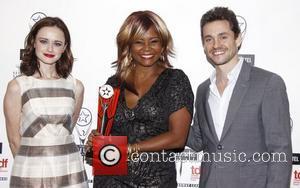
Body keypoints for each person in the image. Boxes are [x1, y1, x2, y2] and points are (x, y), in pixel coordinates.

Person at [187, 7, 292, 188]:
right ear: (204, 45)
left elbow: (279, 151)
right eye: (209, 39)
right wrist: (162, 115)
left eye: (223, 37)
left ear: (238, 38)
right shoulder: (203, 90)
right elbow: (198, 140)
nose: (216, 45)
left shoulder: (268, 83)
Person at [87, 10, 194, 187]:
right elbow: (107, 134)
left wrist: (130, 149)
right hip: (110, 181)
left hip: (154, 181)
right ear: (128, 44)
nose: (146, 48)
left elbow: (178, 138)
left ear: (163, 45)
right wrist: (96, 140)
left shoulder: (174, 80)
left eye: (154, 41)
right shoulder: (113, 84)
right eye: (138, 42)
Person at [3, 17, 88, 187]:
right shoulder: (17, 86)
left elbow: (68, 128)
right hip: (31, 169)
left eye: (57, 43)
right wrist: (27, 171)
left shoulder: (75, 86)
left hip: (69, 167)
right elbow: (13, 139)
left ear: (64, 48)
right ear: (33, 42)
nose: (50, 48)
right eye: (44, 41)